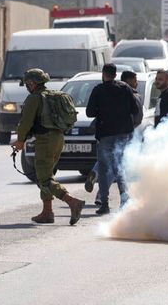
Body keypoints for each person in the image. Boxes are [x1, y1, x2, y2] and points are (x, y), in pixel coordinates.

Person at [12, 68, 85, 225]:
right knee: (47, 175)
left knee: (44, 178)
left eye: (27, 84)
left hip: (45, 140)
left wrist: (20, 140)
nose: (26, 87)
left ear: (33, 83)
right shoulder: (54, 95)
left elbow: (25, 122)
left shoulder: (34, 98)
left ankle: (72, 202)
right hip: (58, 138)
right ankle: (47, 212)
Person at [86, 64, 140, 214]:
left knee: (104, 169)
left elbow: (90, 112)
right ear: (115, 75)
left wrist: (102, 110)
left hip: (105, 135)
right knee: (120, 167)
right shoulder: (125, 88)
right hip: (123, 133)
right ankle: (124, 201)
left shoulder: (98, 90)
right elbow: (135, 109)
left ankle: (104, 204)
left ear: (104, 74)